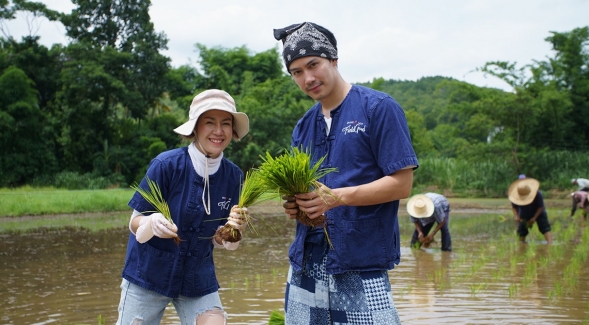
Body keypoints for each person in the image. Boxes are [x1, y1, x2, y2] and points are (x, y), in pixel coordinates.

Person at [273, 22, 418, 324]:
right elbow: (308, 190)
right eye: (296, 72)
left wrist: (335, 198)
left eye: (313, 64)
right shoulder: (303, 126)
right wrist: (298, 205)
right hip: (306, 262)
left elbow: (402, 184)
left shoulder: (377, 108)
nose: (308, 78)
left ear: (334, 60)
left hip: (360, 260)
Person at [116, 89, 250, 325]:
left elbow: (224, 242)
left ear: (233, 130)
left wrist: (234, 231)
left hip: (197, 277)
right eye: (210, 122)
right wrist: (151, 222)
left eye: (226, 124)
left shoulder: (234, 176)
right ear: (195, 128)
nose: (218, 131)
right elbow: (134, 223)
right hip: (148, 274)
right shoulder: (166, 165)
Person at [508, 175, 552, 245]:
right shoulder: (515, 195)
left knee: (544, 227)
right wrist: (516, 215)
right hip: (524, 213)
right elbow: (514, 207)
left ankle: (550, 244)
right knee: (522, 231)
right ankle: (521, 245)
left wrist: (534, 218)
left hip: (538, 212)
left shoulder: (538, 194)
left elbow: (540, 207)